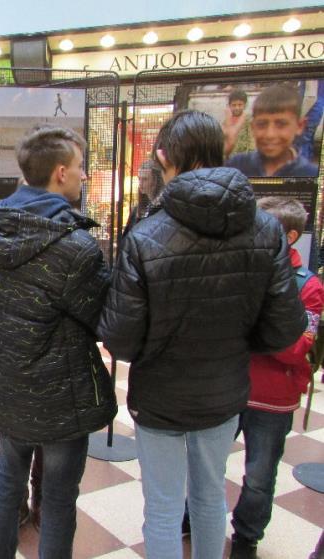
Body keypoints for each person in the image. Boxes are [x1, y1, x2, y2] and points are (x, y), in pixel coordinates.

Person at [98, 110, 307, 559]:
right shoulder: (267, 229)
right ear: (220, 152)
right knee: (211, 499)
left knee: (164, 508)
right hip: (226, 390)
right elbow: (284, 327)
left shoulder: (147, 234)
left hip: (160, 395)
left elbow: (121, 339)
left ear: (163, 157)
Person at [0, 125, 117, 559]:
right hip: (62, 399)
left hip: (9, 385)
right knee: (57, 500)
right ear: (60, 173)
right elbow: (105, 322)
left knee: (8, 481)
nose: (83, 176)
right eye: (79, 168)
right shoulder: (76, 248)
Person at [229, 197, 324, 559]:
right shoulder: (241, 273)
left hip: (273, 398)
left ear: (291, 235)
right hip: (230, 386)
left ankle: (246, 536)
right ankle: (193, 515)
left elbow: (295, 349)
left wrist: (254, 328)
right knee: (206, 463)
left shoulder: (308, 287)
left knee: (259, 476)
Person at [226, 84, 318, 177]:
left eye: (281, 124)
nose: (270, 134)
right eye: (262, 124)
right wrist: (227, 147)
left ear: (299, 126)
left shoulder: (311, 174)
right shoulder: (238, 164)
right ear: (253, 127)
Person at [124, 160, 165, 237]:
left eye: (145, 179)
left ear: (155, 181)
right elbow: (127, 236)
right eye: (139, 179)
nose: (140, 183)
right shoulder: (137, 209)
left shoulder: (162, 208)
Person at [222, 89, 253, 157]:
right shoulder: (226, 122)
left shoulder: (249, 121)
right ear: (229, 105)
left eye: (240, 105)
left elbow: (252, 143)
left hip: (244, 158)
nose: (237, 108)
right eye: (234, 105)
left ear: (244, 105)